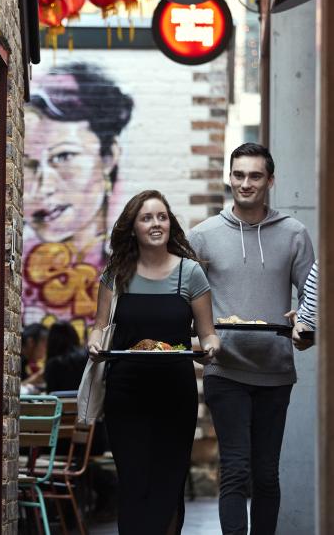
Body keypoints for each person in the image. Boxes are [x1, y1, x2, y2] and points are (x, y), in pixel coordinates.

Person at [186, 143, 315, 535]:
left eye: (255, 176)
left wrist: (306, 326)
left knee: (266, 475)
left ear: (270, 180)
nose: (246, 183)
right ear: (229, 177)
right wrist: (194, 340)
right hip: (225, 370)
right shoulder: (203, 236)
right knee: (235, 471)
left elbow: (314, 296)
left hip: (275, 371)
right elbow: (185, 299)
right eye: (239, 175)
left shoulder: (294, 233)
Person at [86, 190, 221, 534]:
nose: (155, 223)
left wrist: (210, 347)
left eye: (161, 216)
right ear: (133, 227)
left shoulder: (190, 274)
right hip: (126, 393)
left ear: (170, 223)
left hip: (174, 392)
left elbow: (208, 332)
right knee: (134, 481)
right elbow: (100, 326)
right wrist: (94, 342)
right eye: (146, 218)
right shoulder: (116, 274)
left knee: (168, 480)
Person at [22, 63, 134, 326]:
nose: (42, 187)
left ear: (108, 157)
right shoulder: (9, 271)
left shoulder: (135, 271)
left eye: (64, 156)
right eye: (28, 163)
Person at [43, 320, 88, 394]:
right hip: (84, 402)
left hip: (61, 404)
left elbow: (50, 394)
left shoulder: (53, 364)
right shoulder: (85, 357)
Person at [20, 322, 48, 390]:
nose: (46, 349)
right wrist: (39, 376)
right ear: (31, 342)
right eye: (45, 345)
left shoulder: (24, 361)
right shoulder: (17, 360)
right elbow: (15, 390)